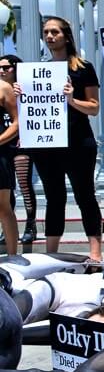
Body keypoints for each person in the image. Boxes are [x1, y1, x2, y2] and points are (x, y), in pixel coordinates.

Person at [20, 17, 102, 261]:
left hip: (78, 142)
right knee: (54, 197)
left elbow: (94, 107)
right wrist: (22, 95)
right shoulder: (39, 71)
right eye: (45, 32)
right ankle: (50, 255)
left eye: (54, 32)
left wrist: (72, 101)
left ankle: (95, 253)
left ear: (66, 36)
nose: (49, 36)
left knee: (84, 194)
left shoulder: (83, 68)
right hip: (46, 144)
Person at [0, 55, 35, 246]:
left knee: (20, 185)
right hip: (8, 144)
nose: (2, 70)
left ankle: (30, 225)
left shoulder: (10, 87)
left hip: (14, 144)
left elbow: (18, 120)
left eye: (6, 67)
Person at [0, 54, 18, 255]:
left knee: (3, 207)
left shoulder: (3, 87)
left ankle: (13, 256)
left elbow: (17, 122)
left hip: (0, 153)